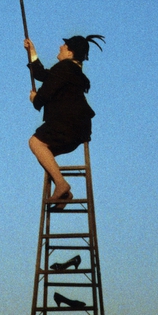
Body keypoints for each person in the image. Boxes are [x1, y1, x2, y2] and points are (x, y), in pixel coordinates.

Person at [24, 33, 104, 204]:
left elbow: (42, 96)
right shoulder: (72, 70)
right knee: (45, 154)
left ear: (70, 53)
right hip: (78, 130)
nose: (60, 47)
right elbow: (44, 76)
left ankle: (61, 184)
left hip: (66, 125)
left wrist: (34, 99)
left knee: (36, 143)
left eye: (65, 47)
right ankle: (63, 194)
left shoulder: (64, 68)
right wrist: (32, 52)